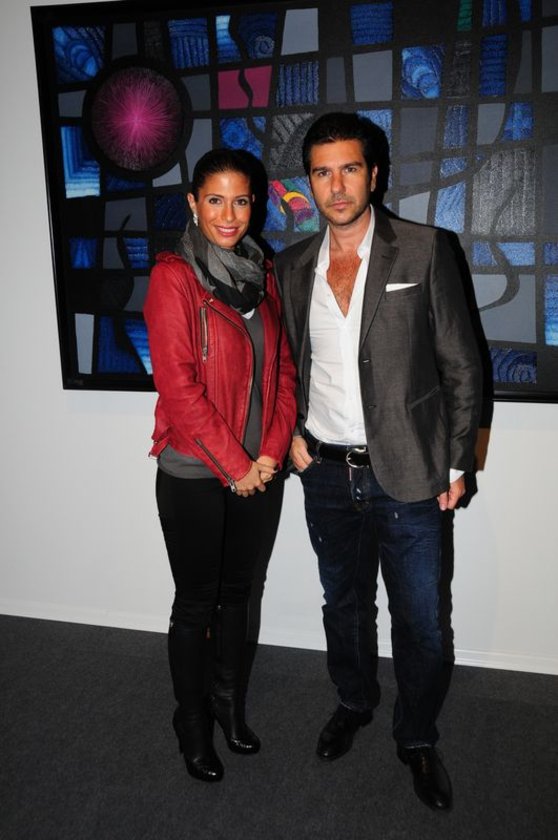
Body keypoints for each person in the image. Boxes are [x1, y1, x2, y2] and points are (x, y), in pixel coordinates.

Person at [275, 112, 482, 811]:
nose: (336, 186)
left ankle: (416, 736)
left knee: (422, 622)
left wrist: (458, 462)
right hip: (326, 473)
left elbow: (462, 364)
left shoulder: (424, 249)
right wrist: (288, 435)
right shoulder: (291, 266)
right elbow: (282, 365)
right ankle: (355, 701)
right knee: (343, 607)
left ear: (374, 175)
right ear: (309, 182)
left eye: (349, 169)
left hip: (412, 472)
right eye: (322, 172)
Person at [144, 148, 296, 783]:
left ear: (253, 205)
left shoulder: (264, 272)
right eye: (215, 200)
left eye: (240, 201)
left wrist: (270, 451)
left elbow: (284, 371)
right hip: (196, 472)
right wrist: (236, 465)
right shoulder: (174, 278)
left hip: (258, 469)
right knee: (196, 603)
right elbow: (179, 390)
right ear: (193, 204)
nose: (229, 214)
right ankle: (191, 720)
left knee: (240, 595)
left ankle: (229, 705)